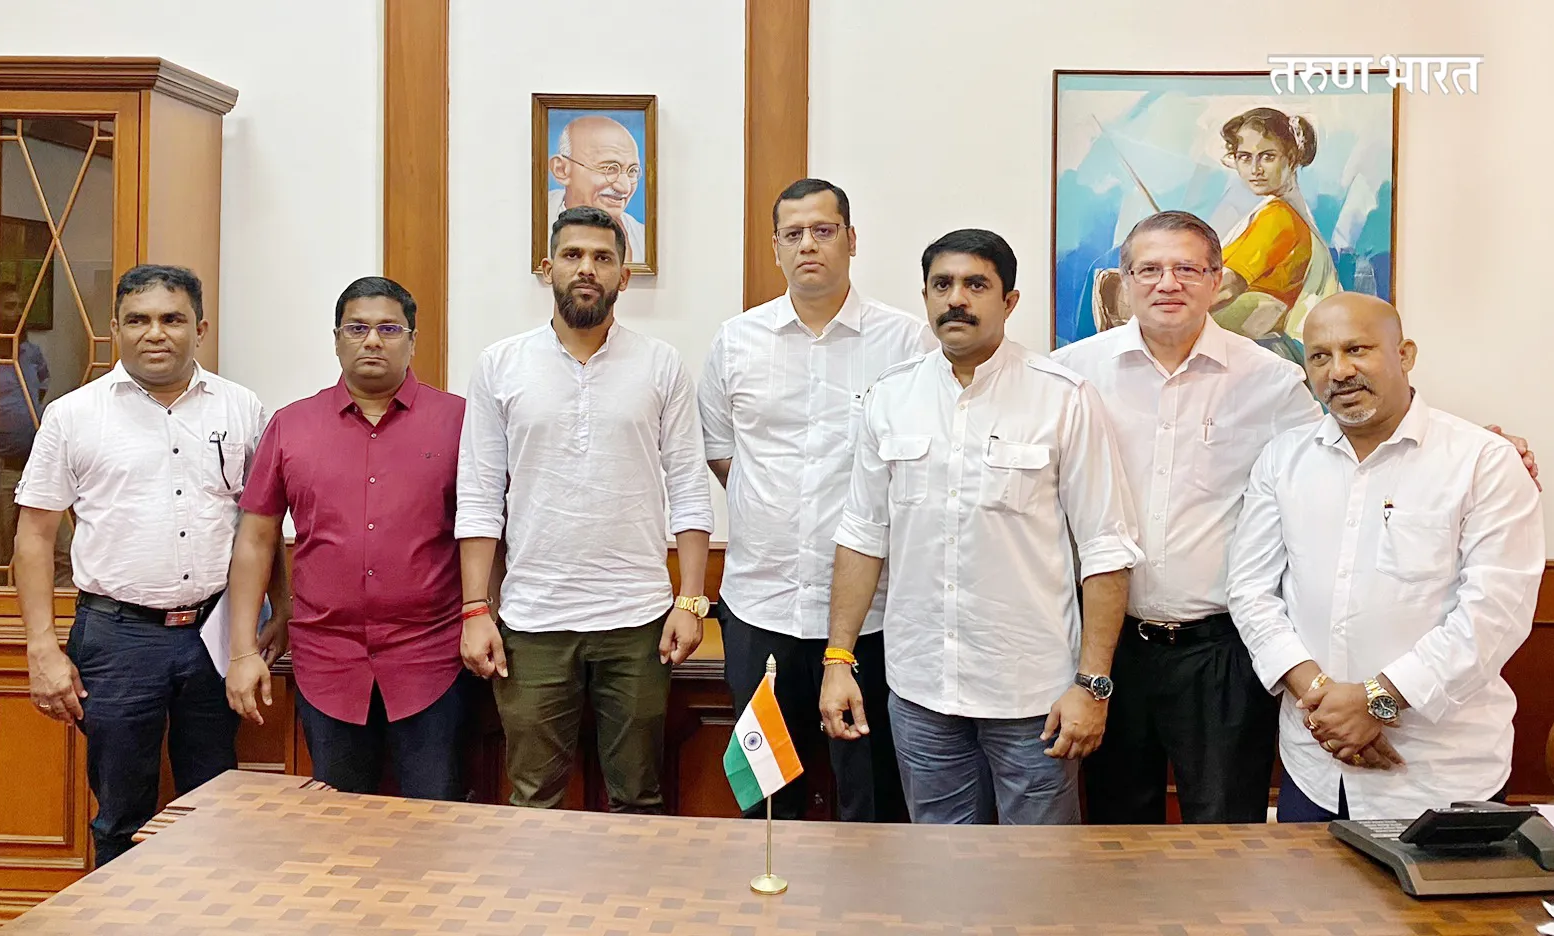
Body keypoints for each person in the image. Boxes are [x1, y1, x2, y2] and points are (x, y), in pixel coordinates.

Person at [820, 229, 1141, 825]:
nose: (956, 299)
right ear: (925, 296)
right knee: (941, 866)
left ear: (1009, 301)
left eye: (976, 285)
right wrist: (838, 658)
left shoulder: (1063, 398)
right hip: (921, 691)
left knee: (1039, 870)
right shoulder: (890, 397)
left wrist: (1093, 684)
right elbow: (862, 536)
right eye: (942, 285)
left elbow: (1106, 551)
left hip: (1034, 696)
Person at [1226, 292, 1545, 821]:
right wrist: (1324, 700)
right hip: (1316, 762)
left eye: (1357, 349)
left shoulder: (1483, 463)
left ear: (1405, 354)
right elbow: (1250, 592)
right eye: (1320, 356)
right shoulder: (1283, 460)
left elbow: (1493, 615)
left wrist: (1377, 701)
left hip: (1440, 771)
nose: (1339, 371)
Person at [16, 264, 289, 865]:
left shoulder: (241, 408)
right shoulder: (73, 415)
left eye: (172, 319)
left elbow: (263, 525)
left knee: (216, 802)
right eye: (138, 320)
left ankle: (208, 910)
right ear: (115, 329)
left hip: (217, 631)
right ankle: (118, 912)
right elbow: (33, 538)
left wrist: (282, 610)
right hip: (117, 636)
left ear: (200, 328)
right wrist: (41, 649)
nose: (155, 333)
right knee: (120, 811)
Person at [1052, 210, 1320, 824]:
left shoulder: (1272, 380)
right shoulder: (1073, 374)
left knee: (1225, 829)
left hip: (1221, 651)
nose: (1167, 283)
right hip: (1108, 647)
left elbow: (1338, 457)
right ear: (1124, 281)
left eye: (1187, 269)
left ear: (1216, 280)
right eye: (1149, 269)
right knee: (1117, 830)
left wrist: (1480, 443)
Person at [457, 206, 713, 813]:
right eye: (573, 255)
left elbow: (688, 485)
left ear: (624, 274)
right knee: (533, 799)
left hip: (639, 620)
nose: (587, 269)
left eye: (603, 257)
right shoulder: (501, 364)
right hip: (533, 620)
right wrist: (474, 609)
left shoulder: (661, 364)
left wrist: (691, 600)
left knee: (639, 798)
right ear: (548, 268)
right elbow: (480, 492)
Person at [699, 178, 930, 822]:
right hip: (759, 609)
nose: (808, 245)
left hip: (869, 620)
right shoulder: (736, 341)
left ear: (851, 240)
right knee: (768, 803)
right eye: (793, 234)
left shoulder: (907, 344)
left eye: (823, 231)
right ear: (776, 247)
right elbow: (722, 454)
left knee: (873, 800)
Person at [224, 276, 469, 799]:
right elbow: (256, 540)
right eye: (357, 328)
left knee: (439, 820)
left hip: (431, 658)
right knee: (335, 823)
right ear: (336, 339)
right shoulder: (292, 425)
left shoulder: (459, 422)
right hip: (327, 661)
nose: (372, 340)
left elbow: (488, 528)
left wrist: (482, 613)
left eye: (389, 329)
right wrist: (243, 650)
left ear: (413, 340)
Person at [1212, 108, 1342, 367]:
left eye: (1267, 157)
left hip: (1262, 356)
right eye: (1244, 157)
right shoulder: (1275, 213)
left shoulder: (1279, 218)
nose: (1255, 169)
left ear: (1291, 158)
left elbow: (1226, 288)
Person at [0, 281, 51, 573]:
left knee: (41, 532)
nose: (17, 313)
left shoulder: (31, 352)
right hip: (0, 463)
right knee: (2, 537)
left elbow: (41, 385)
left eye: (20, 306)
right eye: (9, 306)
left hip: (35, 458)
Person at [548, 115, 646, 263]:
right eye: (609, 169)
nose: (625, 187)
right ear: (561, 169)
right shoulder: (535, 222)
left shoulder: (641, 237)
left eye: (632, 171)